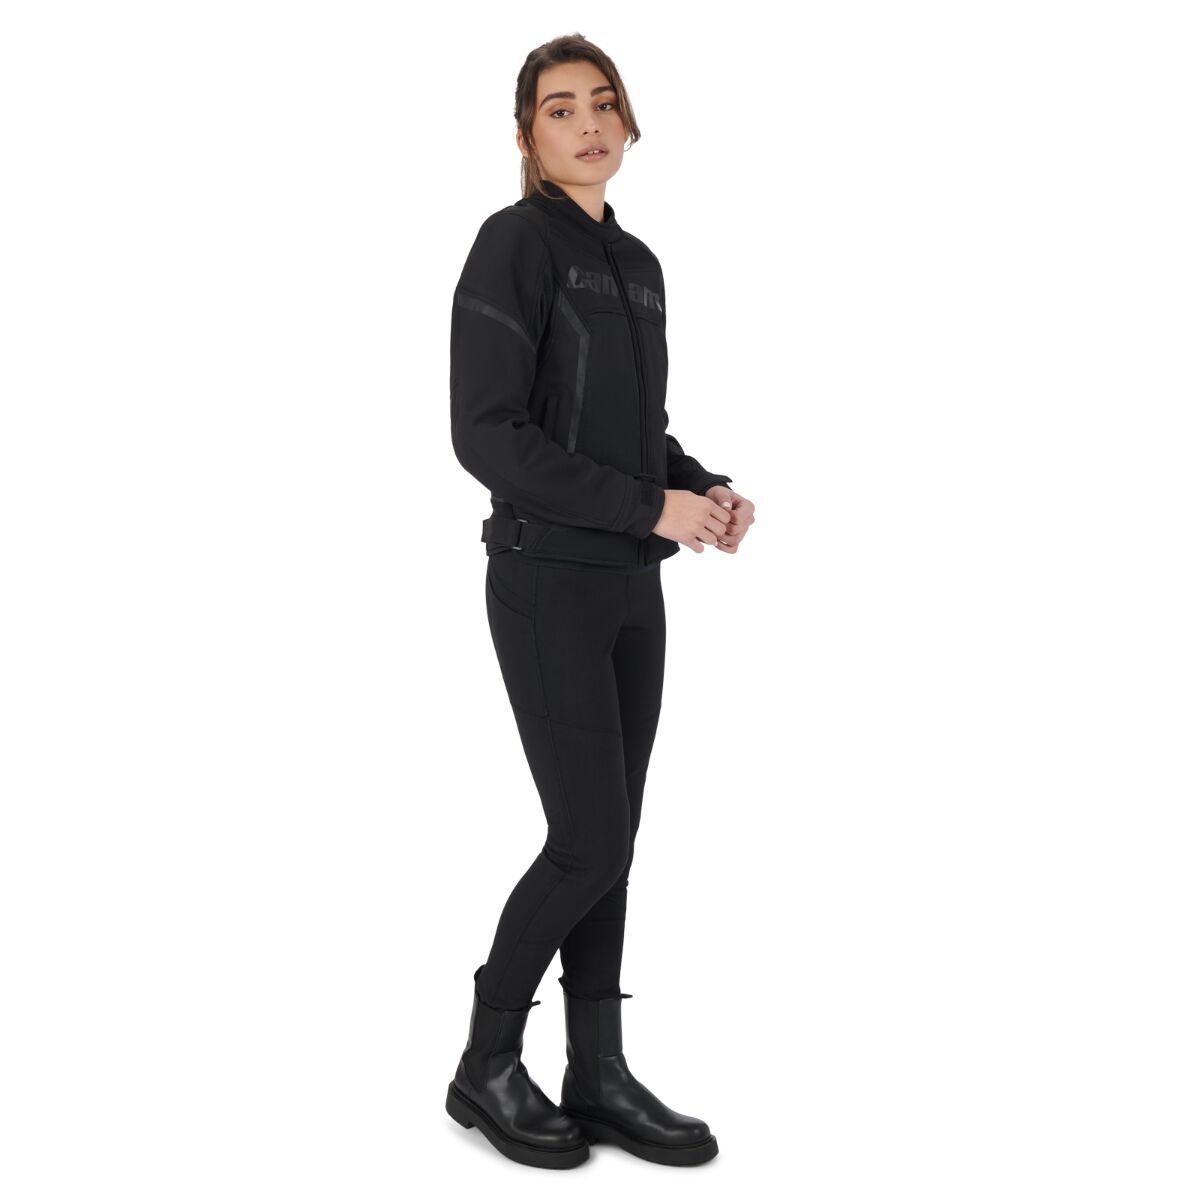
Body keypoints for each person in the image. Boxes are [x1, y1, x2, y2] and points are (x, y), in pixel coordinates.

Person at [444, 34, 755, 1170]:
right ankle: (486, 1063)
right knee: (586, 841)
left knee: (612, 842)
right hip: (545, 581)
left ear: (628, 123)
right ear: (527, 136)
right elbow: (488, 434)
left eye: (603, 103)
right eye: (560, 108)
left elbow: (633, 431)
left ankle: (597, 1070)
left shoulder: (638, 264)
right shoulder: (513, 244)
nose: (587, 123)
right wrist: (647, 505)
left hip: (631, 586)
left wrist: (698, 487)